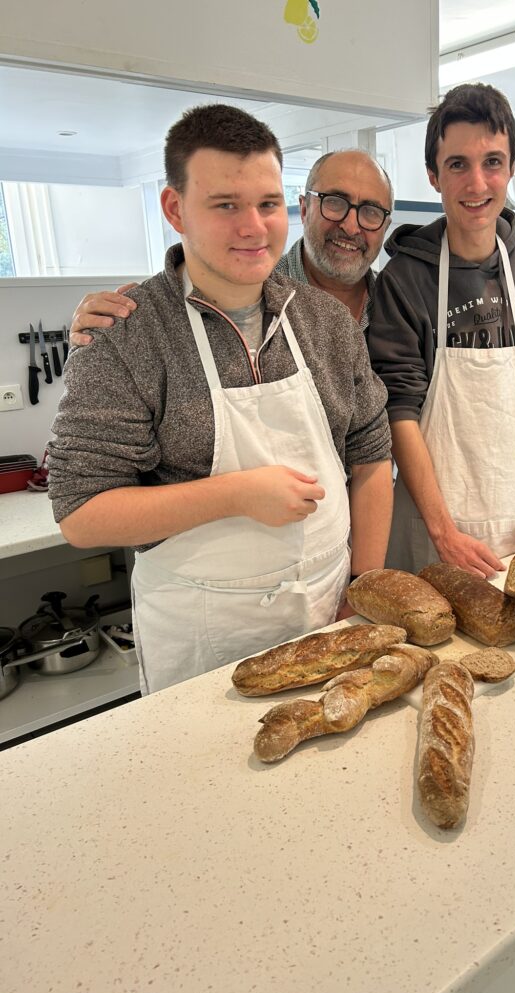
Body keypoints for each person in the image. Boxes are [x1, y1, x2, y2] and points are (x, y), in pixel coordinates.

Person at [48, 104, 393, 695]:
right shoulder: (128, 333)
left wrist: (364, 588)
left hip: (328, 607)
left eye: (267, 203)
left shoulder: (324, 322)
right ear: (175, 208)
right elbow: (82, 513)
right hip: (202, 633)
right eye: (225, 205)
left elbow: (370, 458)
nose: (253, 227)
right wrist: (235, 494)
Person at [367, 83, 515, 578]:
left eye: (493, 162)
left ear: (510, 169)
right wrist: (443, 532)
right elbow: (400, 410)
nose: (476, 183)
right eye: (458, 164)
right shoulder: (405, 279)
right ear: (434, 176)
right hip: (434, 530)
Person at [68, 148, 393, 339]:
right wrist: (104, 332)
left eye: (371, 211)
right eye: (335, 202)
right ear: (304, 208)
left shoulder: (401, 309)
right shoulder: (230, 293)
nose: (351, 225)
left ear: (385, 225)